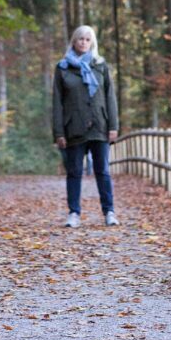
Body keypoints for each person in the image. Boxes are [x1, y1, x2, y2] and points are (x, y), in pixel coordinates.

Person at [52, 25, 119, 228]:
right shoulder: (63, 68)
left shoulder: (100, 65)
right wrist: (58, 132)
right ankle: (74, 213)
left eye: (87, 39)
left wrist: (113, 126)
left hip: (100, 125)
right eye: (80, 39)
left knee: (103, 171)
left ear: (92, 42)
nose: (83, 42)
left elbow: (110, 97)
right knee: (74, 172)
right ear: (74, 41)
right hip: (73, 127)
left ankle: (109, 211)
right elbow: (57, 102)